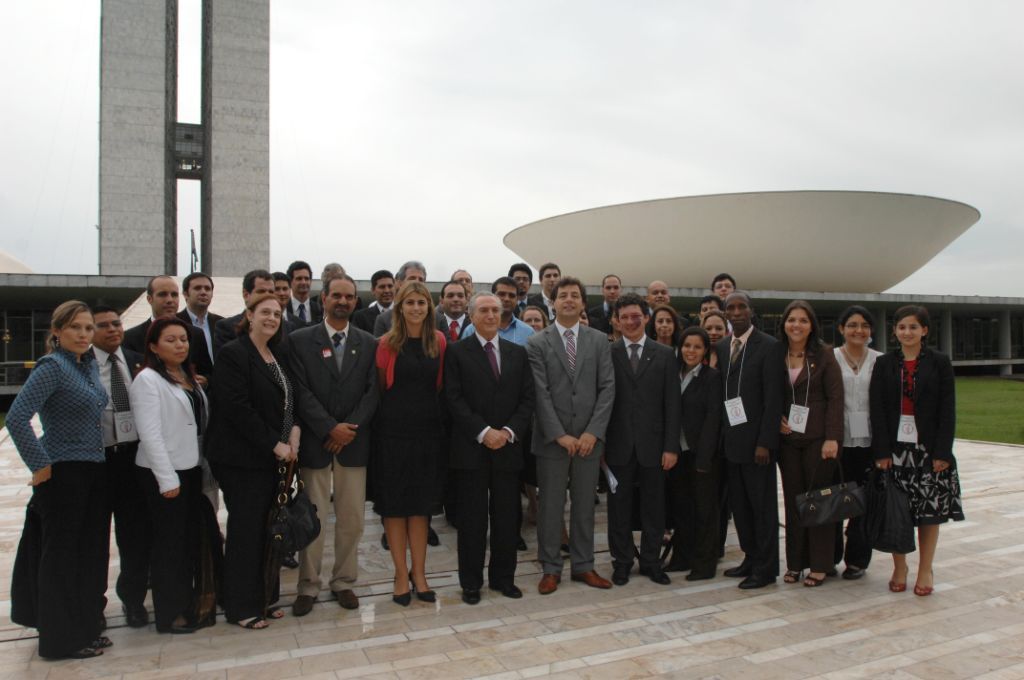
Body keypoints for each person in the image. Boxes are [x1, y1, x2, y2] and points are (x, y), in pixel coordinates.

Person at [8, 301, 111, 659]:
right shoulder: (52, 367)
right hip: (63, 471)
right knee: (62, 558)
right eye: (75, 328)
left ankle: (84, 629)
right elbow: (17, 418)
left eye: (87, 328)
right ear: (57, 332)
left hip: (92, 470)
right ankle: (58, 640)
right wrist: (39, 465)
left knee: (88, 555)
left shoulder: (85, 366)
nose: (84, 334)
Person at [205, 292, 300, 629]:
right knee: (246, 531)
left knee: (268, 529)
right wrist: (274, 443)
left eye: (277, 314)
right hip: (242, 459)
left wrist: (294, 433)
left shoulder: (275, 354)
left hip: (274, 457)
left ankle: (265, 597)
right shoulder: (234, 354)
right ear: (249, 314)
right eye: (265, 312)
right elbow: (237, 408)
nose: (272, 318)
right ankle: (241, 606)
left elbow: (288, 401)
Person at [289, 274, 378, 615]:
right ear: (323, 298)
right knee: (314, 519)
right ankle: (308, 585)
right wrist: (329, 428)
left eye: (350, 297)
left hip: (353, 445)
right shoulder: (299, 341)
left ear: (356, 302)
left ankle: (343, 581)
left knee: (352, 519)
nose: (343, 301)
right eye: (336, 295)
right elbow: (300, 390)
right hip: (316, 444)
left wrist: (348, 429)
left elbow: (373, 392)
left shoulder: (369, 343)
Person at [446, 293, 536, 604]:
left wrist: (508, 432)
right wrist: (483, 432)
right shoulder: (457, 353)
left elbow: (527, 399)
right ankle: (471, 583)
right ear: (471, 316)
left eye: (495, 310)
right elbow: (453, 399)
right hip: (471, 449)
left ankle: (503, 579)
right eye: (483, 310)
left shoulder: (517, 353)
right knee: (472, 520)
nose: (490, 315)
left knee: (507, 518)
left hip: (507, 449)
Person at [527, 276, 615, 594]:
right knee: (550, 506)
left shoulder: (598, 340)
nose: (568, 300)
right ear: (553, 302)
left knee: (583, 505)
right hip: (553, 440)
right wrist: (559, 435)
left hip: (589, 440)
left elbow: (607, 388)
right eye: (562, 295)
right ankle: (551, 567)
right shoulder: (537, 343)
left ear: (582, 303)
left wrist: (593, 432)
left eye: (574, 295)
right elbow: (540, 394)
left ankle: (584, 565)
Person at [870, 305, 963, 596]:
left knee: (928, 512)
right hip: (896, 450)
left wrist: (942, 453)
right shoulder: (885, 364)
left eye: (913, 327)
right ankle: (900, 566)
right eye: (901, 327)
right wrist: (881, 451)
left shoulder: (939, 363)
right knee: (897, 511)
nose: (907, 332)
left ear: (924, 330)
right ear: (894, 331)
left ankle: (925, 569)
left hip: (928, 449)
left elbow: (948, 410)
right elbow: (878, 409)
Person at [131, 317, 214, 632]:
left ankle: (189, 602)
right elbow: (149, 434)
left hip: (190, 468)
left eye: (183, 339)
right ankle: (170, 613)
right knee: (169, 546)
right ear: (153, 346)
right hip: (163, 473)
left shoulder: (186, 376)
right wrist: (167, 480)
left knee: (187, 541)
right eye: (171, 340)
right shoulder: (148, 380)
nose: (180, 345)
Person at [373, 281, 447, 605]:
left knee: (420, 509)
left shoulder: (440, 341)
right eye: (410, 302)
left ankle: (420, 573)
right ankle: (400, 574)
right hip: (391, 437)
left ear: (429, 308)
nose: (416, 308)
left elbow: (441, 387)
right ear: (399, 307)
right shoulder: (386, 344)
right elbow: (378, 390)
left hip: (428, 437)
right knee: (394, 508)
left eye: (422, 302)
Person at [605, 293, 681, 586]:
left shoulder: (663, 355)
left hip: (655, 446)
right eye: (624, 317)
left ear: (646, 318)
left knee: (654, 507)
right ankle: (622, 561)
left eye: (636, 316)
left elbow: (672, 404)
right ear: (616, 321)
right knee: (619, 508)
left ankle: (651, 561)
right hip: (618, 445)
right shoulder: (608, 353)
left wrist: (671, 446)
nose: (631, 321)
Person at [774, 300, 843, 588]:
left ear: (811, 325)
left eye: (803, 320)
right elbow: (768, 392)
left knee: (818, 502)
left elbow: (836, 399)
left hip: (817, 440)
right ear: (784, 324)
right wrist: (775, 418)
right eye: (792, 320)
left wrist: (832, 438)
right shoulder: (776, 353)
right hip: (788, 440)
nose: (796, 325)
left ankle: (820, 564)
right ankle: (795, 563)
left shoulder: (824, 355)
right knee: (793, 502)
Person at [716, 291, 782, 589]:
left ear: (751, 312)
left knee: (762, 509)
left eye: (742, 306)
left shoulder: (768, 347)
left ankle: (766, 569)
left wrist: (765, 442)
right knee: (740, 509)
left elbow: (773, 399)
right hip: (731, 444)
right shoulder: (720, 347)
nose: (737, 311)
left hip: (757, 446)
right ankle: (750, 557)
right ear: (725, 313)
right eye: (731, 308)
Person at [90, 305, 150, 629]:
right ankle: (94, 604)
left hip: (132, 458)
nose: (112, 329)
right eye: (104, 325)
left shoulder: (136, 359)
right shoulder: (81, 364)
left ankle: (133, 599)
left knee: (135, 534)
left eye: (116, 323)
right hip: (98, 460)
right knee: (96, 538)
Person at [666, 326, 722, 579]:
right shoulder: (673, 374)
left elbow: (713, 418)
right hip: (677, 454)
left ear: (705, 350)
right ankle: (681, 557)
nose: (691, 351)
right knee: (682, 510)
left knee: (705, 512)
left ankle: (704, 564)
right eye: (687, 345)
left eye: (697, 347)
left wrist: (705, 457)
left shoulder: (711, 377)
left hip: (701, 455)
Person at [833, 305, 882, 580]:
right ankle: (829, 556)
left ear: (870, 331)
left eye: (864, 325)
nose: (858, 330)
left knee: (863, 503)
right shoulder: (830, 358)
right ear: (841, 329)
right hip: (837, 442)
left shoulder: (881, 360)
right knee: (836, 501)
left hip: (869, 442)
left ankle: (857, 560)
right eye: (852, 325)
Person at [123, 276, 213, 380]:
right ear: (149, 299)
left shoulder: (195, 334)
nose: (170, 300)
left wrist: (205, 381)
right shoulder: (131, 338)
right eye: (163, 294)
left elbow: (208, 373)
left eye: (174, 295)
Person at [213, 269, 276, 356]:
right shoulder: (226, 328)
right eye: (261, 291)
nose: (267, 296)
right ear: (246, 295)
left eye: (271, 292)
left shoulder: (286, 327)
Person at [373, 261, 428, 336]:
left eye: (421, 280)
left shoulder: (438, 319)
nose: (417, 282)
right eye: (412, 278)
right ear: (399, 283)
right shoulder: (383, 319)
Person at [177, 271, 223, 363]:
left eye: (207, 289)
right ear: (185, 294)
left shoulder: (222, 324)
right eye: (197, 288)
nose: (203, 292)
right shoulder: (175, 322)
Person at [287, 260, 322, 324]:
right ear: (290, 282)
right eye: (299, 279)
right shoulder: (284, 310)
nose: (303, 282)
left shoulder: (320, 310)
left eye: (306, 279)